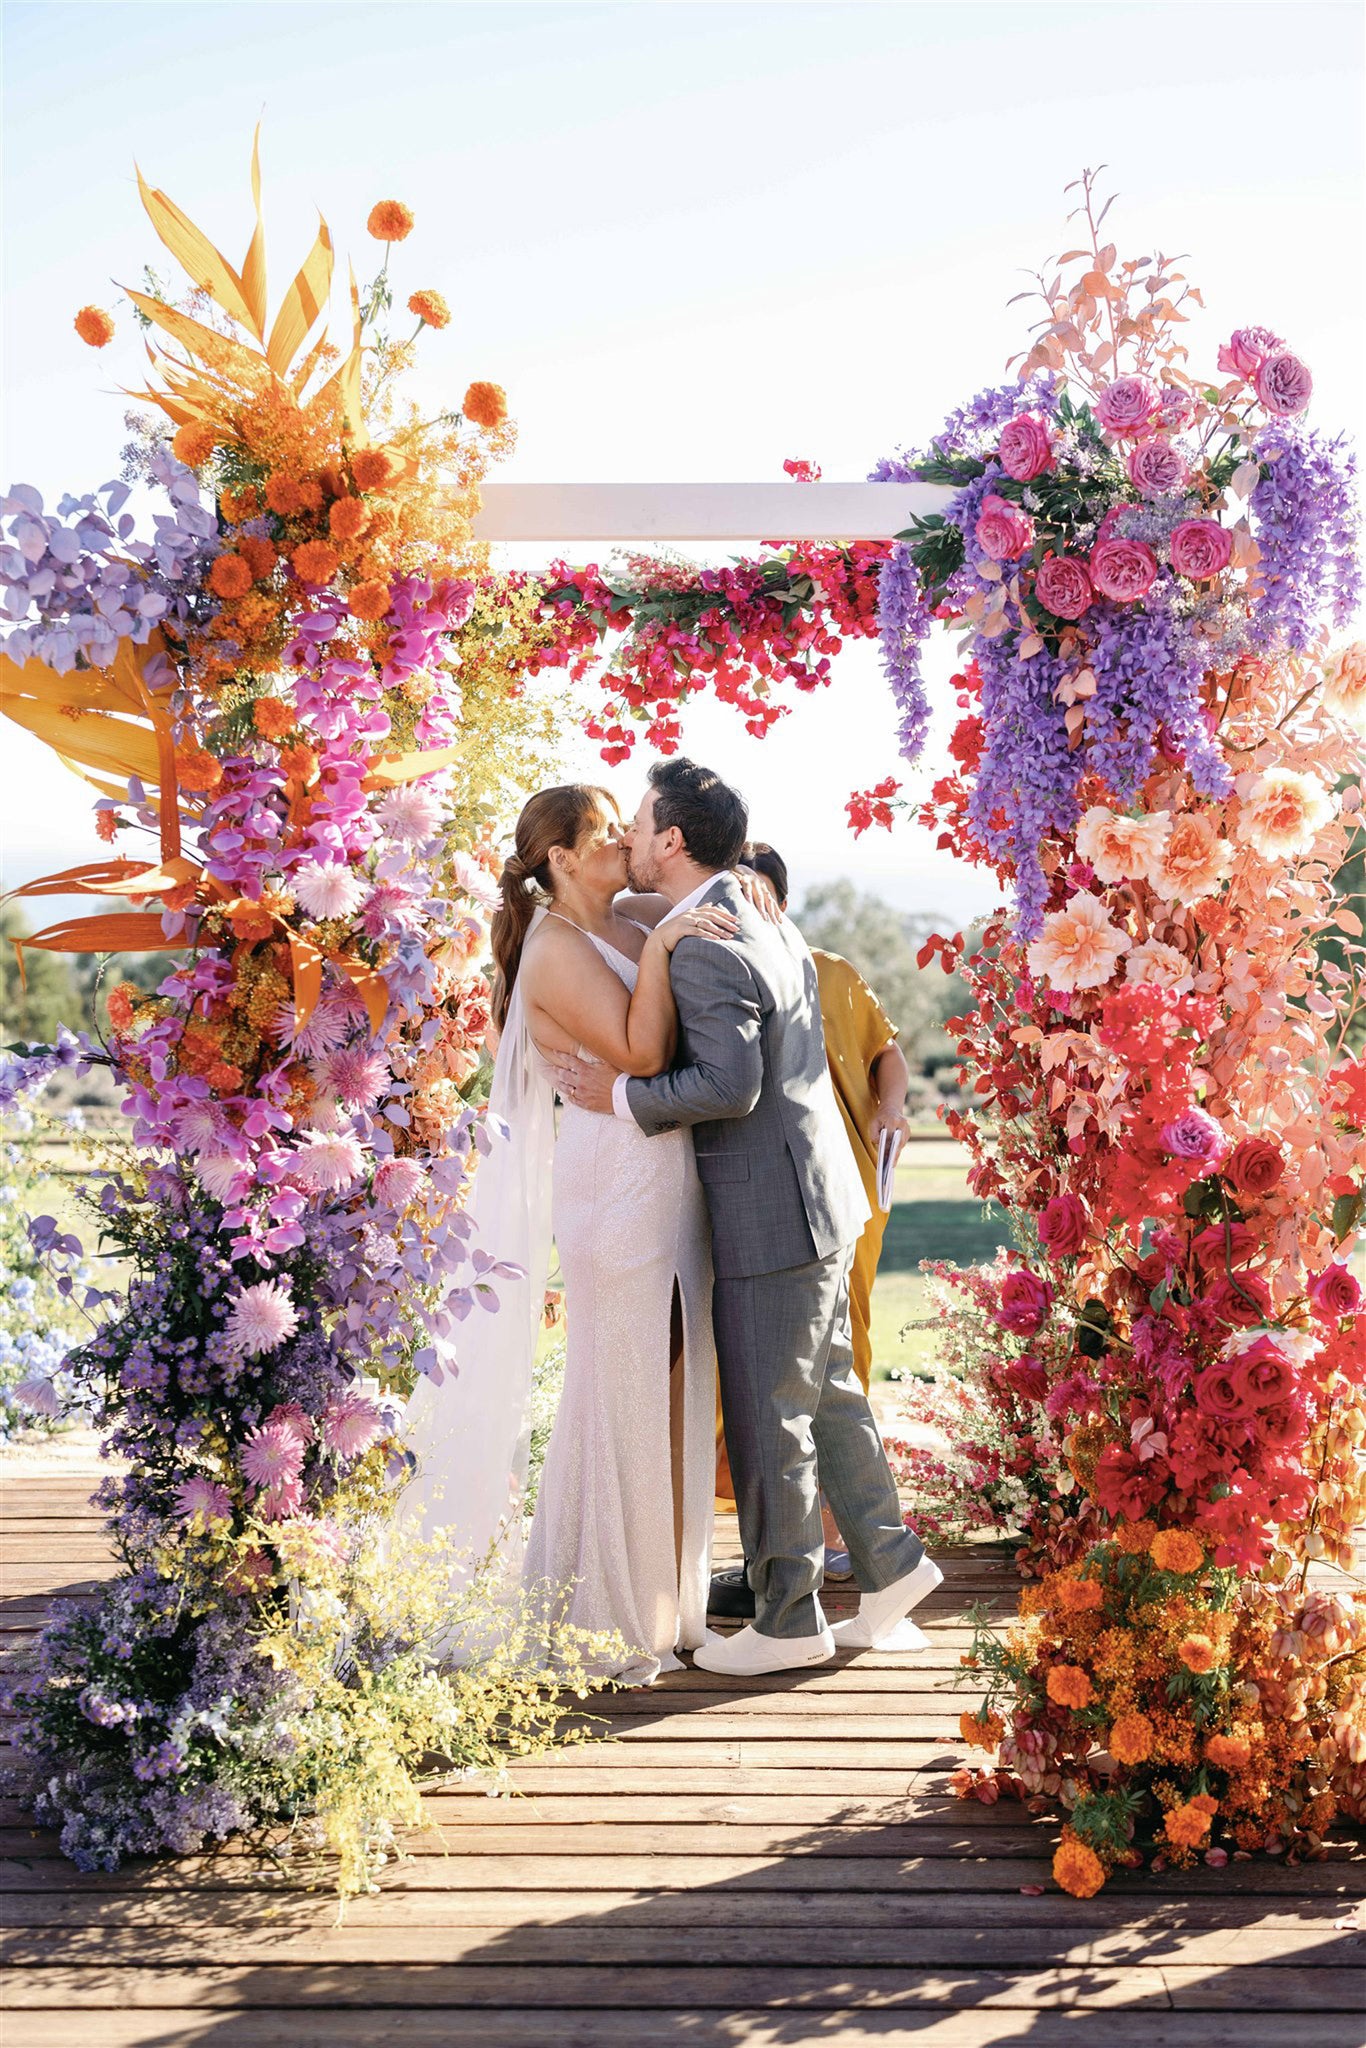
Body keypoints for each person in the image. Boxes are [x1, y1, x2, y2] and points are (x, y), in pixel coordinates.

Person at [551, 760, 940, 1676]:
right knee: (831, 1393)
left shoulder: (711, 940)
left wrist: (622, 1094)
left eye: (641, 824)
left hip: (772, 1207)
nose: (633, 839)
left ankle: (788, 1616)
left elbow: (731, 1085)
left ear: (673, 841)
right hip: (819, 1195)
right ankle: (891, 1570)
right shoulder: (752, 906)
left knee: (772, 1417)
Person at [403, 783, 738, 1685]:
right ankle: (598, 1610)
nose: (625, 846)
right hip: (613, 1180)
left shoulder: (628, 911)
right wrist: (667, 949)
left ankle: (665, 1598)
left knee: (668, 1382)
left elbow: (709, 882)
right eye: (605, 838)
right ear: (560, 859)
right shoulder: (556, 948)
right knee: (617, 1386)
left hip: (667, 1174)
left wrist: (697, 914)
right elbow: (639, 1054)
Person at [709, 841, 911, 1618]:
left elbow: (888, 1052)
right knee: (770, 1376)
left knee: (833, 1360)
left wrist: (891, 1104)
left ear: (777, 898)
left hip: (842, 1189)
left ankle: (827, 1545)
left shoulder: (827, 969)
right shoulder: (724, 959)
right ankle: (775, 1551)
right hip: (765, 1193)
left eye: (750, 890)